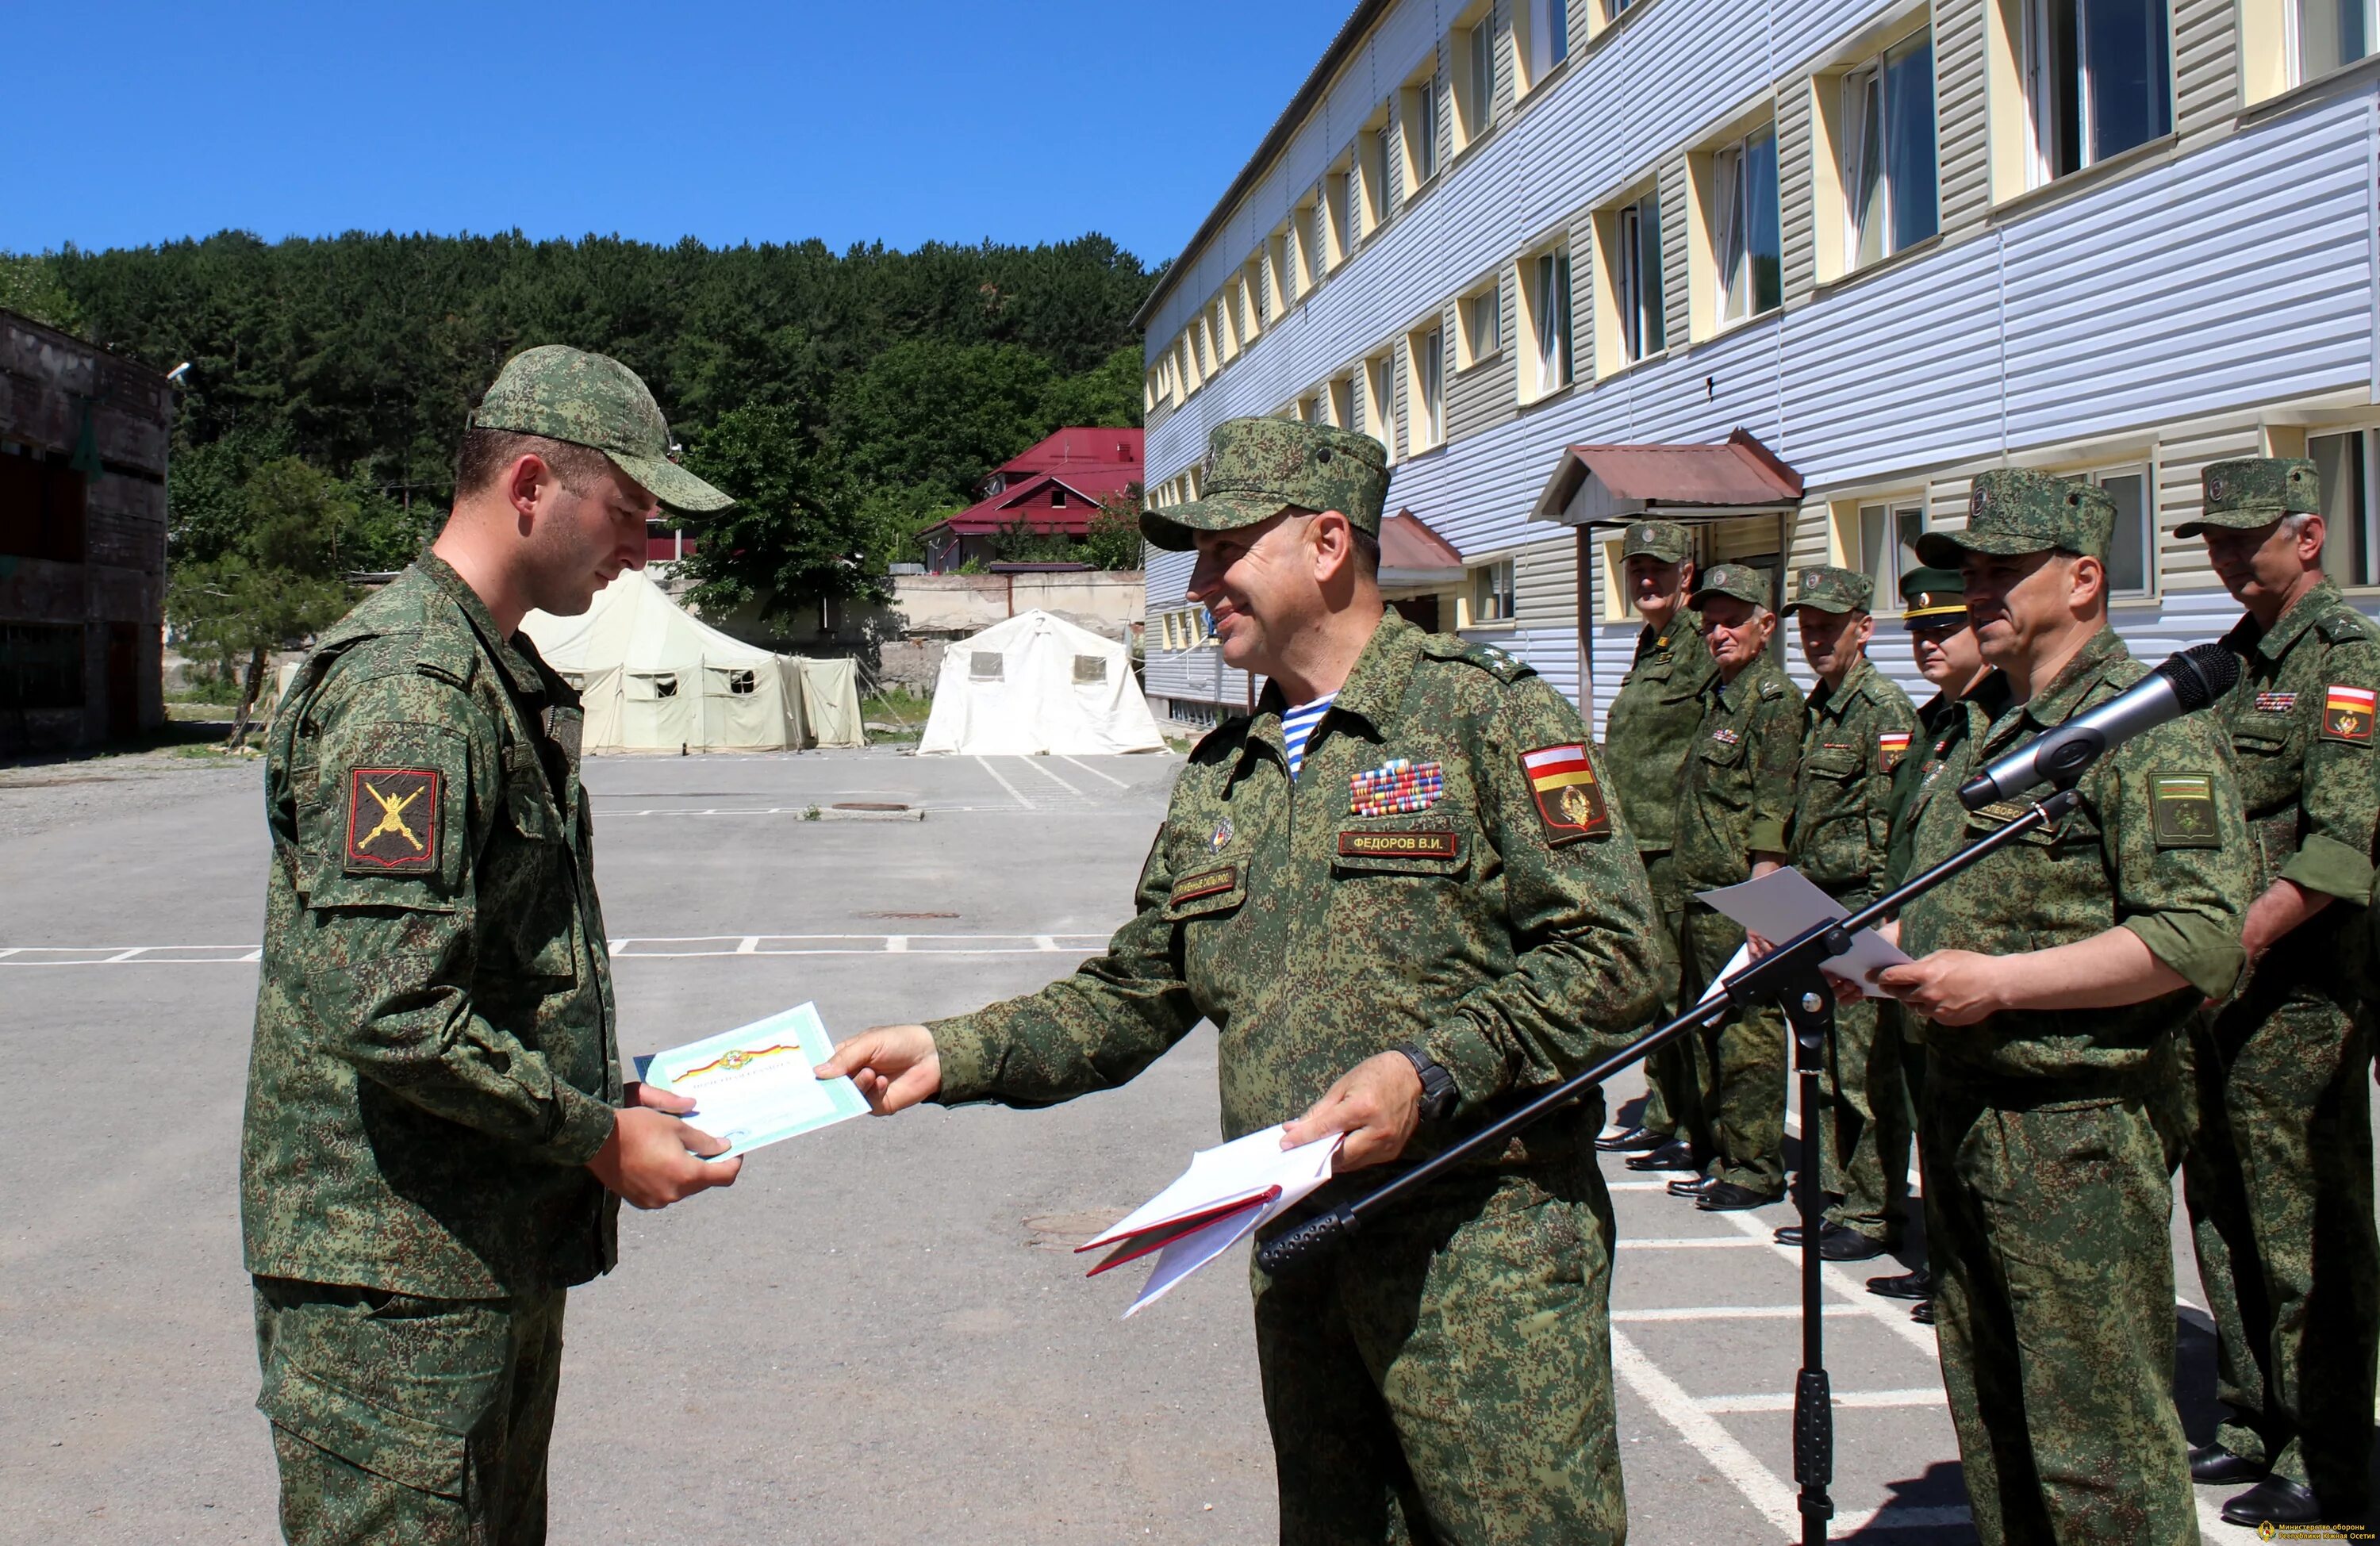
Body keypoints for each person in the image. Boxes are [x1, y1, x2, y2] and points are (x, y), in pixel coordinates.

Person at [817, 416, 1665, 1544]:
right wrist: (953, 1049)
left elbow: (1618, 956)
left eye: (1227, 548)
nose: (1202, 577)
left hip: (1481, 1254)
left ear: (1327, 545)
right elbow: (1134, 990)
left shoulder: (1486, 715)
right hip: (1302, 1251)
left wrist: (1432, 1069)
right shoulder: (1224, 774)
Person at [242, 345, 745, 1545]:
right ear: (530, 485)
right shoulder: (413, 688)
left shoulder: (486, 672)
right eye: (628, 512)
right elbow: (388, 1008)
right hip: (394, 1289)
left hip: (467, 1253)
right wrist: (593, 1132)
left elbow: (479, 973)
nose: (641, 548)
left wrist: (597, 1085)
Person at [1878, 467, 2251, 1545]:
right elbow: (1978, 899)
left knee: (2100, 1452)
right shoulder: (1997, 729)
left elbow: (2195, 934)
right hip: (1966, 1112)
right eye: (1972, 573)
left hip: (2073, 1130)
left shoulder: (2148, 727)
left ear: (2085, 580)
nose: (1978, 594)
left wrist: (1996, 981)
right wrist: (1875, 949)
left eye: (2004, 572)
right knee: (1998, 1428)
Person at [2171, 457, 2380, 1528]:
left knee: (2307, 1234)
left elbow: (2346, 844)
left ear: (2308, 536)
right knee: (2222, 1214)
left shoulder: (2350, 659)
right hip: (2219, 994)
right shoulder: (2226, 665)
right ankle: (2257, 1419)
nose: (2225, 555)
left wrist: (2235, 947)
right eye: (2212, 537)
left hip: (2299, 994)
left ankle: (2338, 1458)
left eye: (2245, 536)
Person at [1862, 566, 2008, 1325]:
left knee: (1966, 1137)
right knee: (1931, 1122)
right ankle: (1947, 1268)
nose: (1926, 643)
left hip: (1964, 962)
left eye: (1942, 630)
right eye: (1917, 631)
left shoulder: (1997, 725)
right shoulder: (1936, 723)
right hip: (1910, 952)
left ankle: (1967, 1274)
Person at [1767, 566, 1915, 1260]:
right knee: (1821, 1063)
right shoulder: (1815, 707)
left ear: (1864, 627)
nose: (1816, 638)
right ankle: (1832, 1194)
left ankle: (1873, 1207)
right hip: (1814, 906)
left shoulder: (1882, 710)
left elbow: (1892, 825)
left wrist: (1888, 919)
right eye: (1808, 628)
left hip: (1861, 904)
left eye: (1829, 626)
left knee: (1863, 1074)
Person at [1667, 562, 1803, 1210]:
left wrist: (1765, 892)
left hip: (1739, 894)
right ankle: (1720, 1152)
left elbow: (1775, 802)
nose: (1718, 632)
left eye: (1733, 620)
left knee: (1746, 1031)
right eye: (1710, 620)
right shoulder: (1718, 694)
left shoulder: (1772, 700)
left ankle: (1754, 1165)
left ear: (1765, 625)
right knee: (1706, 1028)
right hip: (1699, 891)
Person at [1593, 520, 1718, 1168]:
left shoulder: (1701, 646)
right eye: (1636, 568)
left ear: (1686, 577)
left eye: (1660, 570)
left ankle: (1699, 1128)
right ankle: (1666, 1114)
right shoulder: (1652, 644)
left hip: (1676, 844)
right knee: (1658, 990)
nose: (1646, 579)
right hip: (1639, 842)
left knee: (1683, 992)